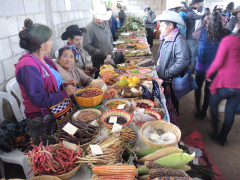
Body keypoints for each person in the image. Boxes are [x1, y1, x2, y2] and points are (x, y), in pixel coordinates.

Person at [15, 19, 76, 146]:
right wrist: (65, 93)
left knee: (67, 144)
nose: (52, 42)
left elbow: (50, 86)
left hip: (58, 112)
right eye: (50, 39)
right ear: (42, 44)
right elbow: (38, 97)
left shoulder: (45, 60)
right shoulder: (27, 64)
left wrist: (65, 86)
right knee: (49, 152)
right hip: (43, 119)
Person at [206, 17, 240, 146]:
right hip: (238, 86)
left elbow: (218, 62)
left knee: (213, 103)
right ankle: (222, 137)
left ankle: (215, 131)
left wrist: (208, 74)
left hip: (226, 82)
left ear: (237, 25)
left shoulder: (229, 40)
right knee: (230, 110)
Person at [155, 11, 191, 126]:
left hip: (170, 79)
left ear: (171, 25)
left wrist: (166, 73)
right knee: (167, 103)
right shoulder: (167, 37)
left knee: (171, 104)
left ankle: (173, 127)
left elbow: (184, 61)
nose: (160, 29)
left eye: (162, 26)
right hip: (164, 77)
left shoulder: (179, 40)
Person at [192, 12, 230, 120]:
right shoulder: (225, 33)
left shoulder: (202, 32)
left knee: (198, 88)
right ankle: (204, 111)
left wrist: (203, 22)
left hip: (201, 66)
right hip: (214, 68)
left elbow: (193, 34)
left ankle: (197, 109)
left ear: (208, 21)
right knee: (208, 90)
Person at [83, 4, 113, 79]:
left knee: (109, 77)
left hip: (108, 57)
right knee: (99, 78)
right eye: (99, 18)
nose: (101, 20)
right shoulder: (89, 28)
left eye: (103, 18)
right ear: (95, 16)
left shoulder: (106, 24)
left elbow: (110, 37)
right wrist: (98, 52)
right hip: (98, 59)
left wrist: (111, 48)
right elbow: (86, 45)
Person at [186, 0, 206, 74]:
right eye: (200, 4)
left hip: (193, 37)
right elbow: (201, 16)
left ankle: (190, 68)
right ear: (196, 4)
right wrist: (204, 9)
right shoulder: (191, 13)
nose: (201, 5)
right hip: (192, 37)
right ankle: (192, 69)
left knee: (192, 53)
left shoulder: (192, 12)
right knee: (194, 53)